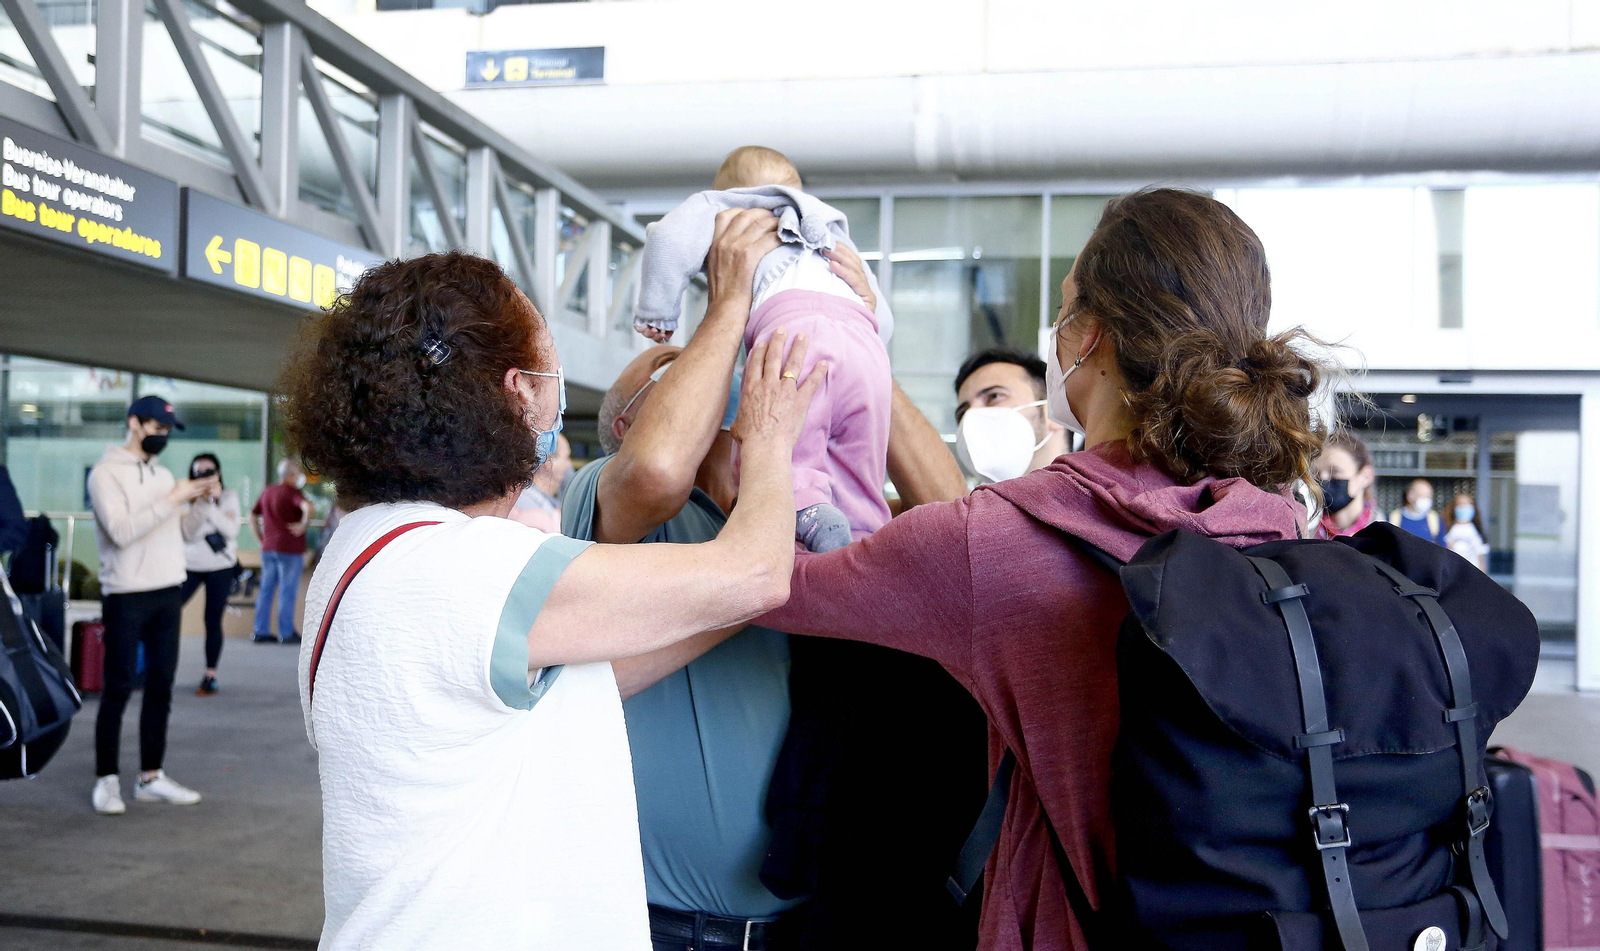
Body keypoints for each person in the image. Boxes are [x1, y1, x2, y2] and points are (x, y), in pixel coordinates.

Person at [754, 188, 1330, 949]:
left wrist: (768, 435)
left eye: (1063, 314)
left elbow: (765, 582)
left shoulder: (1004, 540)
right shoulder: (1281, 520)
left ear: (1088, 339)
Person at [281, 236, 825, 949]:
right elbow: (754, 569)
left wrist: (743, 603)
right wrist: (771, 439)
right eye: (551, 374)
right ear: (519, 392)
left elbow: (590, 681)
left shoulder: (367, 551)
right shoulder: (473, 567)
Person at [567, 215, 983, 951]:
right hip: (663, 928)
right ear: (632, 421)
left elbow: (955, 520)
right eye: (692, 375)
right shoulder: (612, 502)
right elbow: (660, 463)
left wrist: (856, 340)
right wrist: (728, 307)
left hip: (809, 923)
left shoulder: (810, 515)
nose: (736, 381)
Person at [633, 146, 893, 553]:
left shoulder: (725, 209)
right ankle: (865, 535)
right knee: (862, 450)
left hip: (795, 328)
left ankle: (801, 507)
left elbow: (667, 239)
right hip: (866, 342)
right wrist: (870, 314)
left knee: (777, 435)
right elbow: (881, 314)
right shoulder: (829, 226)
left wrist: (658, 310)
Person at [87, 395, 217, 815]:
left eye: (166, 431)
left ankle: (151, 777)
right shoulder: (105, 474)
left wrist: (198, 502)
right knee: (119, 687)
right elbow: (123, 531)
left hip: (167, 590)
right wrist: (174, 497)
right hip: (125, 592)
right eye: (156, 429)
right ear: (135, 424)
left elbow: (186, 533)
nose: (162, 436)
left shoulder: (162, 476)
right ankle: (106, 780)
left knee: (161, 686)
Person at [954, 346, 1070, 483]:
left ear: (1054, 411)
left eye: (994, 396)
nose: (971, 415)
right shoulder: (967, 504)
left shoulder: (1096, 499)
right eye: (963, 412)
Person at [180, 453, 241, 695]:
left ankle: (210, 674)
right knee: (170, 611)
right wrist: (204, 504)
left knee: (212, 620)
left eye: (209, 471)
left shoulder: (229, 496)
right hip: (190, 564)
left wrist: (212, 506)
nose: (204, 476)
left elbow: (231, 530)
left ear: (218, 473)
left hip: (220, 567)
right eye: (199, 472)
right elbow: (189, 534)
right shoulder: (186, 499)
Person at [250, 459, 311, 644]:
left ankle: (260, 631)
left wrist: (260, 538)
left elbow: (252, 514)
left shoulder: (268, 491)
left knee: (266, 590)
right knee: (287, 591)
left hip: (268, 548)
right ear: (292, 475)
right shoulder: (293, 492)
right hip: (289, 550)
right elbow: (308, 507)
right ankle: (286, 632)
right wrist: (303, 524)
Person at [1313, 431, 1378, 539]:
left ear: (1366, 476)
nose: (1323, 479)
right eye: (1316, 473)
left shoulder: (1387, 539)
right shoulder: (1304, 535)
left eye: (1335, 472)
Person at [509, 432, 571, 533]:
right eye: (567, 457)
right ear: (548, 461)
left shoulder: (547, 502)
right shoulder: (527, 505)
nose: (569, 465)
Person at [1387, 477, 1444, 543]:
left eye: (1429, 496)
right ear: (1410, 496)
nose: (1427, 500)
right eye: (1423, 496)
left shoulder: (1435, 519)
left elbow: (1443, 548)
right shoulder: (1394, 518)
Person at [1445, 492, 1490, 571]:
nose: (1464, 507)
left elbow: (1481, 558)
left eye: (1468, 504)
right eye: (1461, 504)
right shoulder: (1446, 528)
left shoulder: (1478, 531)